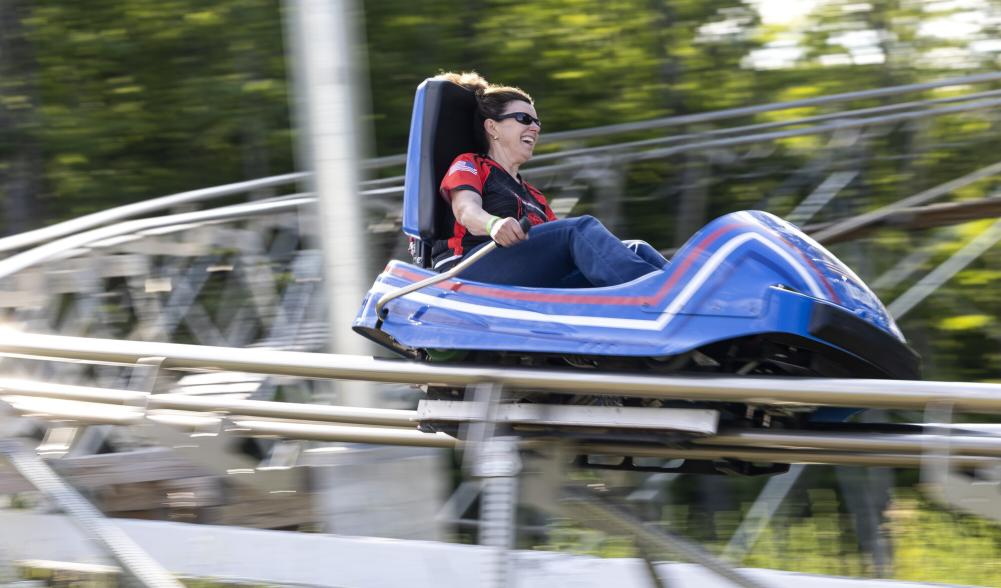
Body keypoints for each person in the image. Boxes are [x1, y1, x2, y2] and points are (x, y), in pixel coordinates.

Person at [433, 71, 668, 288]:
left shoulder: (534, 195)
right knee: (580, 228)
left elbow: (556, 243)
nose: (535, 128)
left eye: (537, 122)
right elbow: (465, 210)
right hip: (468, 268)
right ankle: (654, 294)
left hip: (522, 269)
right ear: (493, 127)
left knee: (637, 248)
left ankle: (685, 297)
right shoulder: (471, 163)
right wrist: (493, 225)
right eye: (524, 119)